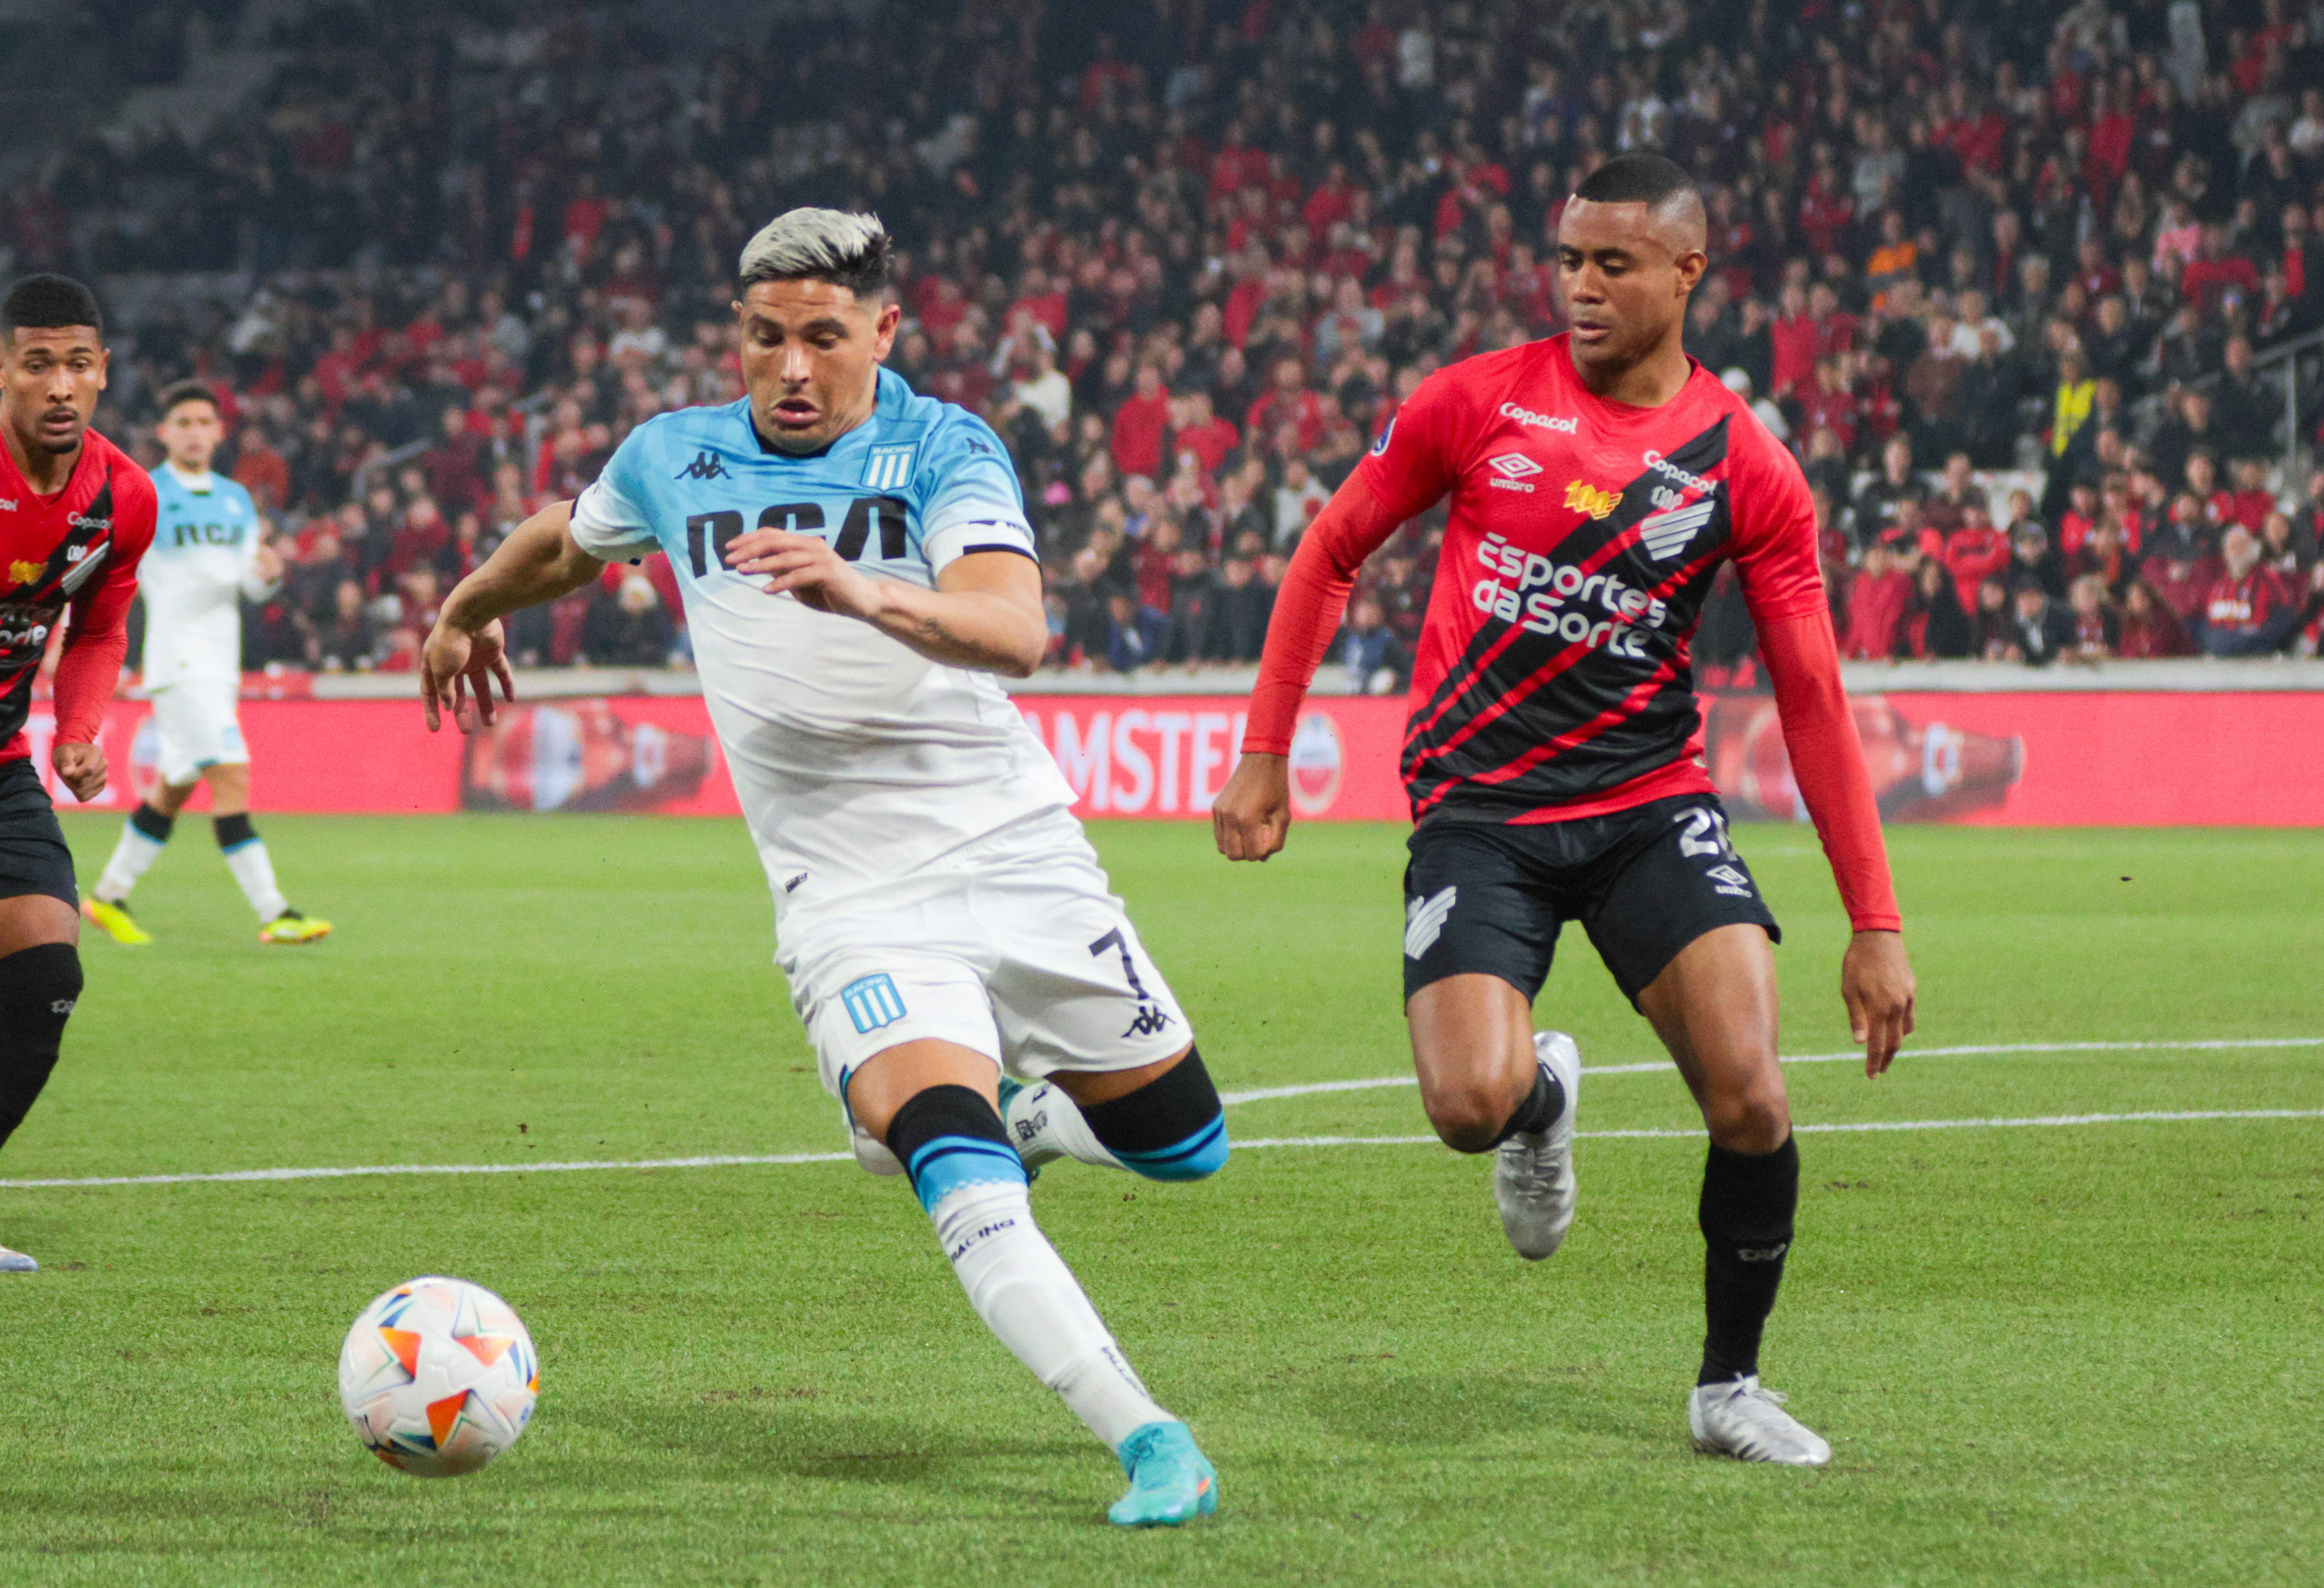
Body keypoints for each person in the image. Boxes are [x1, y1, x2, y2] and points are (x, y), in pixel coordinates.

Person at [418, 211, 1222, 1527]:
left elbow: (1014, 629)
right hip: (847, 899)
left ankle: (1036, 1115)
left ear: (884, 333)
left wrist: (864, 590)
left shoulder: (944, 447)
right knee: (956, 1173)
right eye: (766, 338)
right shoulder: (674, 454)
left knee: (1188, 1145)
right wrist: (463, 609)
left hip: (1014, 852)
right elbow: (568, 541)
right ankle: (1146, 1438)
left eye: (823, 339)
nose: (791, 368)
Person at [1214, 155, 1915, 1467]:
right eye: (1569, 261)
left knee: (1754, 1099)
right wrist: (1266, 750)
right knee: (1466, 1104)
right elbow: (1331, 548)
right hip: (1480, 810)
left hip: (1649, 805)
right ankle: (1543, 1103)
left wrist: (1874, 923)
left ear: (1687, 273)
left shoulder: (1745, 470)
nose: (1582, 288)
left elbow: (1813, 697)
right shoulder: (1476, 402)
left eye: (1615, 264)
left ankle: (1729, 1390)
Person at [0, 274, 159, 1273]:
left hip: (3, 757)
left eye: (79, 364)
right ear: (4, 371)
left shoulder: (123, 497)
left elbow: (100, 623)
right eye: (38, 362)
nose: (61, 384)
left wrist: (80, 726)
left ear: (103, 373)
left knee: (47, 971)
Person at [83, 384, 330, 946]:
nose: (195, 431)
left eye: (204, 422)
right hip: (180, 659)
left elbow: (249, 583)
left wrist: (266, 574)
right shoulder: (142, 491)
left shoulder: (235, 499)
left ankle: (107, 896)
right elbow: (119, 569)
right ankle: (276, 912)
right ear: (165, 432)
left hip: (220, 663)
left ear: (220, 433)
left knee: (173, 786)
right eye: (184, 421)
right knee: (231, 775)